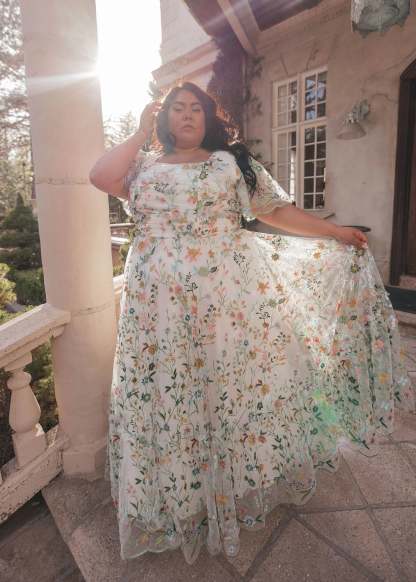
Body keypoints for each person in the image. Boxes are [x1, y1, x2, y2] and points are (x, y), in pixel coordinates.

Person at [90, 82, 415, 565]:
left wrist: (334, 231)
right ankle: (185, 494)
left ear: (208, 117)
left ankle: (234, 486)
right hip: (157, 310)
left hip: (226, 301)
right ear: (162, 117)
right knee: (171, 392)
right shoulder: (141, 166)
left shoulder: (230, 163)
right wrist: (139, 133)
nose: (186, 115)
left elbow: (276, 211)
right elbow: (99, 176)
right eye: (176, 108)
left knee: (227, 388)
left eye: (195, 108)